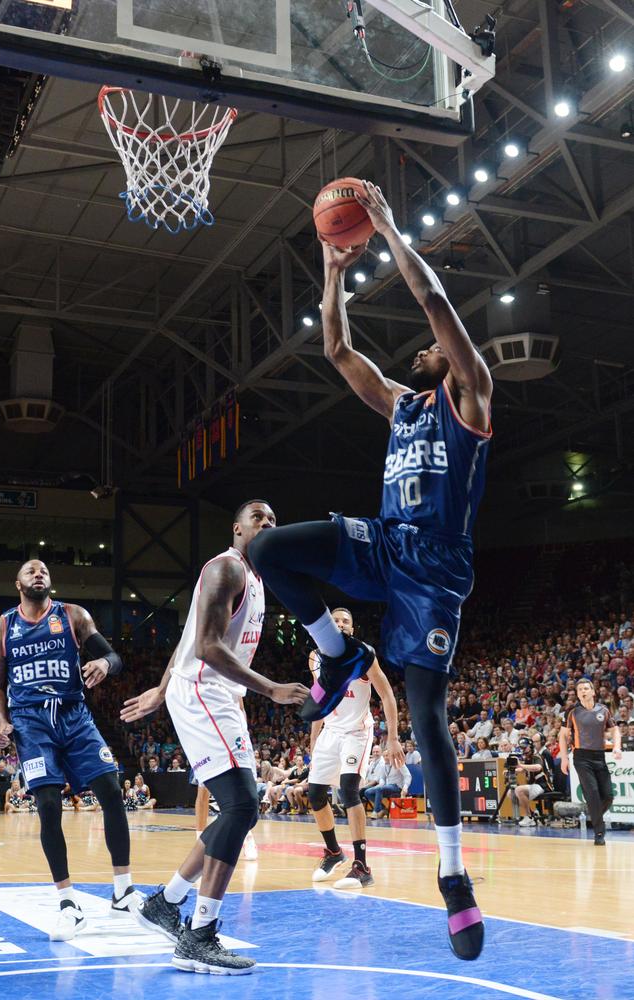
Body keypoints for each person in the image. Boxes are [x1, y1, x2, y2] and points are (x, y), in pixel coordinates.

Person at [249, 182, 492, 960]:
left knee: (425, 715)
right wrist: (329, 270)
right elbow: (335, 349)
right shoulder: (402, 404)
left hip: (434, 574)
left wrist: (385, 225)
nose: (421, 351)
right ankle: (338, 649)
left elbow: (434, 302)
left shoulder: (473, 398)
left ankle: (453, 878)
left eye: (434, 349)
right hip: (383, 542)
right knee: (269, 550)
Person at [120, 500, 308, 976]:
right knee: (243, 805)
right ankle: (197, 936)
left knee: (242, 808)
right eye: (258, 518)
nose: (267, 523)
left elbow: (188, 637)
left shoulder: (257, 579)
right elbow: (205, 648)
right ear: (237, 528)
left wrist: (161, 689)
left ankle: (166, 903)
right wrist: (270, 689)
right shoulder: (226, 568)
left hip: (215, 692)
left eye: (272, 519)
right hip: (205, 691)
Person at [0, 560, 140, 940]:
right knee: (49, 805)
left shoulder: (73, 615)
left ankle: (124, 890)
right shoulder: (1, 628)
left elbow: (115, 658)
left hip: (75, 717)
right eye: (30, 570)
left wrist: (103, 662)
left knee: (111, 791)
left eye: (44, 571)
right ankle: (68, 903)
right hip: (30, 723)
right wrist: (1, 723)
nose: (39, 574)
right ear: (17, 583)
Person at [308, 608, 403, 888]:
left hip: (357, 732)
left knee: (349, 789)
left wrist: (393, 737)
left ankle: (361, 866)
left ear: (352, 628)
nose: (339, 624)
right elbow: (319, 698)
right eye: (335, 621)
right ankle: (334, 852)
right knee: (314, 794)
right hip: (331, 730)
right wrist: (314, 739)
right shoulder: (315, 657)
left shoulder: (364, 657)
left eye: (345, 621)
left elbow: (386, 695)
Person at [559, 677, 622, 845]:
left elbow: (615, 730)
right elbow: (563, 736)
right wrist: (564, 758)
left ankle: (594, 815)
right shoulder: (572, 711)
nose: (583, 691)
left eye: (586, 688)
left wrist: (617, 746)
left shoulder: (604, 710)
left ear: (593, 692)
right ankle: (599, 834)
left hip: (600, 757)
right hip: (581, 757)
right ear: (578, 694)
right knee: (593, 794)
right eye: (580, 690)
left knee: (608, 796)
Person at [511, 737, 554, 827]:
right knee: (510, 793)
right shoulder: (528, 758)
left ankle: (529, 817)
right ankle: (532, 814)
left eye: (525, 747)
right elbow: (522, 770)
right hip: (535, 785)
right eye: (521, 748)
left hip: (544, 785)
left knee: (519, 790)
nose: (523, 750)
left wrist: (521, 765)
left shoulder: (537, 756)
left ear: (531, 747)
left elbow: (538, 767)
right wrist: (512, 771)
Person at [363, 749, 411, 818]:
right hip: (386, 787)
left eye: (387, 755)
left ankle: (376, 812)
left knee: (379, 789)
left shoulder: (398, 763)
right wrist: (380, 785)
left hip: (397, 787)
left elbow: (408, 775)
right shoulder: (383, 765)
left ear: (392, 756)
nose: (385, 757)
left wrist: (405, 787)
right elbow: (382, 778)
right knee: (367, 792)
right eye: (384, 756)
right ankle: (383, 809)